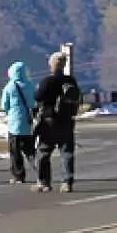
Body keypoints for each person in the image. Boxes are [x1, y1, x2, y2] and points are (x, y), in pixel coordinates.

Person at [33, 51, 81, 193]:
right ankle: (67, 182)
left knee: (43, 152)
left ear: (52, 65)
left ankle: (44, 182)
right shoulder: (71, 81)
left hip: (50, 121)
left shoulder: (47, 81)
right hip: (67, 120)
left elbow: (37, 96)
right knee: (67, 152)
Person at [0, 61, 38, 185]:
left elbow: (4, 105)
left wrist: (10, 111)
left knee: (15, 151)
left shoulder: (10, 87)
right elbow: (35, 103)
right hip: (28, 124)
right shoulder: (31, 85)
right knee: (30, 150)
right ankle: (39, 171)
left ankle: (19, 175)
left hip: (14, 125)